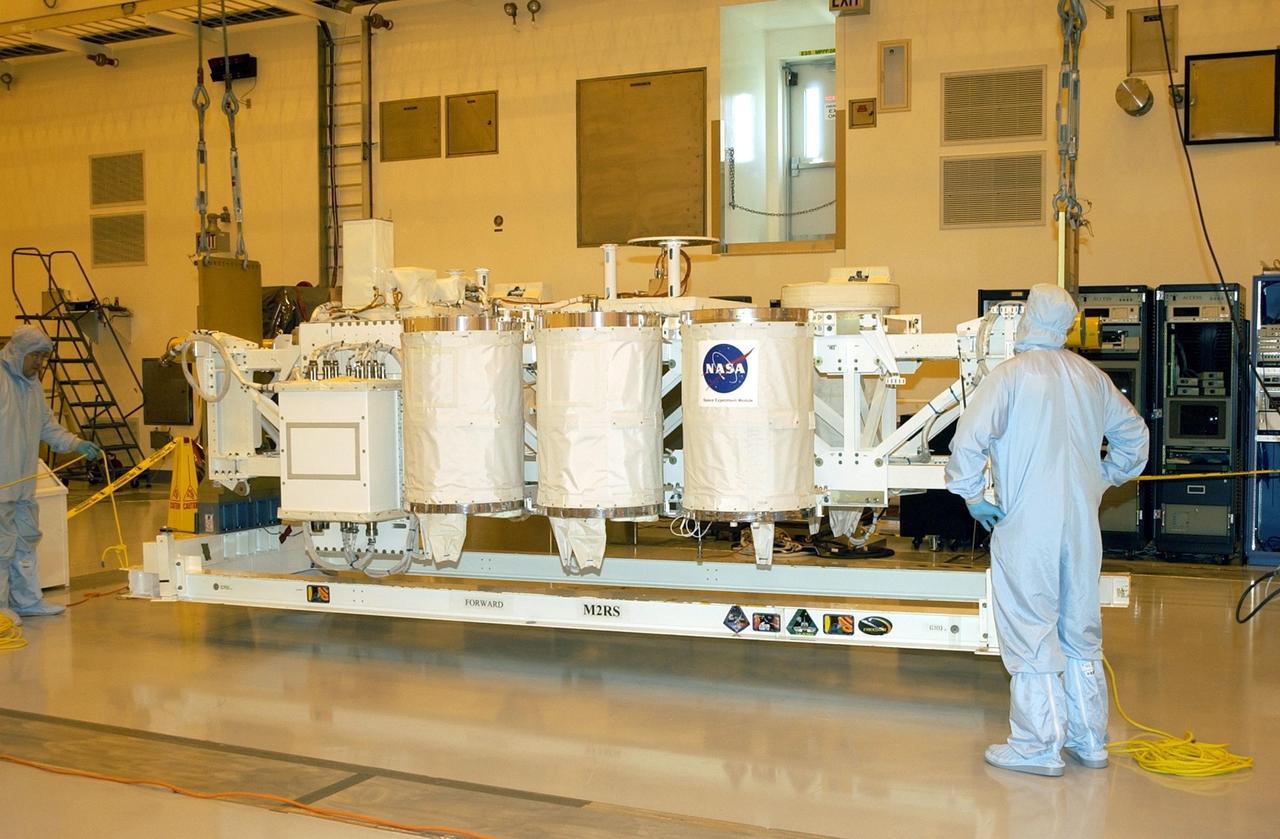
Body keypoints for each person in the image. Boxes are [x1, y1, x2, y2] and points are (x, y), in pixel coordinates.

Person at [945, 284, 1149, 777]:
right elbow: (1135, 437)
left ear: (1027, 319)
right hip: (1081, 525)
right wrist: (1104, 477)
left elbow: (968, 439)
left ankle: (1038, 745)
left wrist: (972, 495)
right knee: (1080, 627)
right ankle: (1088, 739)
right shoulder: (1091, 377)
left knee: (1032, 629)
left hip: (1026, 524)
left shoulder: (1010, 377)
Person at [0, 327, 102, 626]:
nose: (39, 364)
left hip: (23, 485)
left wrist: (75, 443)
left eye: (43, 358)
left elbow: (47, 426)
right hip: (2, 484)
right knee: (1, 547)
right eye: (34, 356)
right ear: (17, 352)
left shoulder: (33, 388)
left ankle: (27, 601)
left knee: (26, 540)